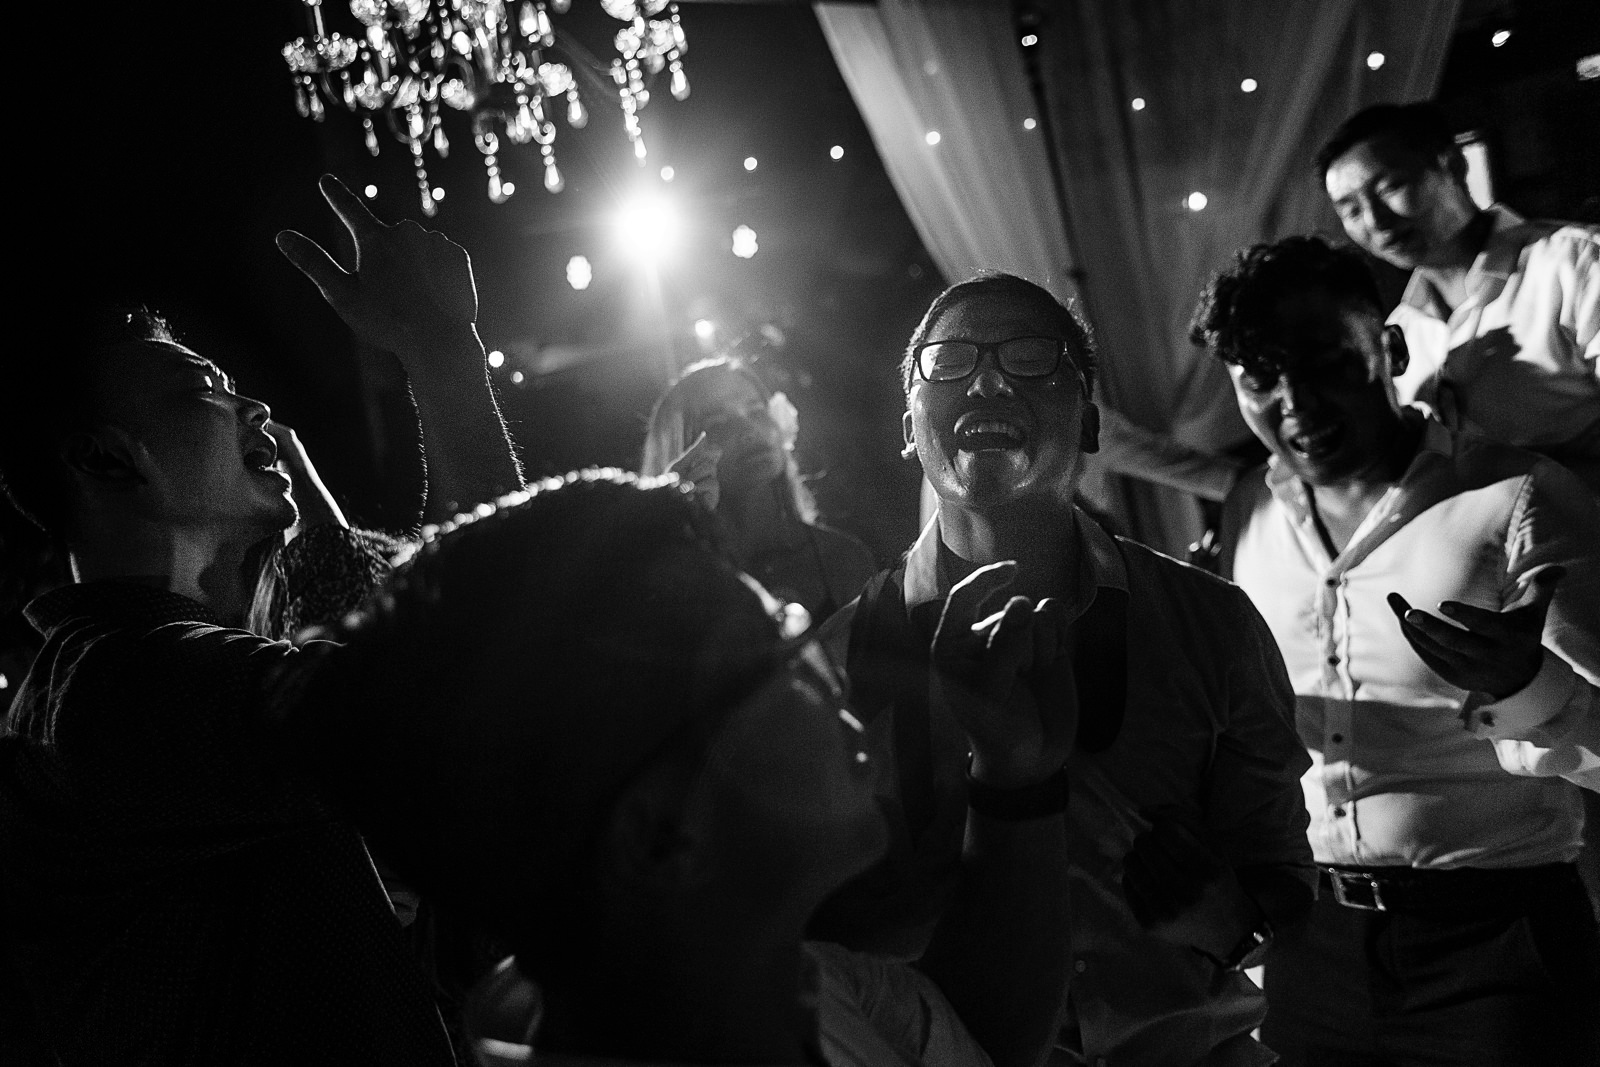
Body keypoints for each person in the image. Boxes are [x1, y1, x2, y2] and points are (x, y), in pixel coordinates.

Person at [270, 469, 1077, 1067]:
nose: (830, 671)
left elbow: (975, 1042)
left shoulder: (790, 982)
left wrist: (1014, 772)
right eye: (779, 652)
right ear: (661, 836)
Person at [0, 176, 519, 1065]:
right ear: (104, 458)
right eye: (203, 386)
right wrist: (441, 355)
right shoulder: (116, 688)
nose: (259, 409)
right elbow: (474, 657)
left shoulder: (177, 674)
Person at [812, 272, 1316, 1067]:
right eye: (949, 361)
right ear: (908, 426)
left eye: (1030, 358)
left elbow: (1285, 875)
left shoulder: (1209, 624)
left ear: (1088, 421)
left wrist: (1233, 915)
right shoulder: (837, 666)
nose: (986, 378)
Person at [1193, 234, 1600, 1065]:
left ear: (1390, 347)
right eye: (1260, 377)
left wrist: (1528, 687)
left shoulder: (1515, 498)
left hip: (1496, 944)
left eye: (1323, 361)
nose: (1294, 400)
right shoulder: (1248, 515)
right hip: (1309, 944)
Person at [1317, 101, 1599, 488]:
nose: (1375, 221)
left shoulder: (1574, 263)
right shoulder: (1402, 331)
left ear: (1452, 165)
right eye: (1350, 211)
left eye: (1390, 187)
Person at [641, 356, 877, 621]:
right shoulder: (671, 582)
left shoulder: (842, 558)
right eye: (718, 423)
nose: (749, 430)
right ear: (681, 451)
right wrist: (673, 522)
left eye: (755, 410)